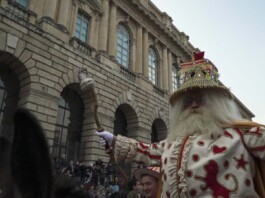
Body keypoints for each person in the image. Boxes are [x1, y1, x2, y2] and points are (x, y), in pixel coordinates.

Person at [96, 51, 265, 197]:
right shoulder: (174, 143)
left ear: (215, 103)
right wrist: (114, 140)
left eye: (200, 100)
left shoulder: (243, 136)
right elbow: (147, 151)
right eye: (188, 101)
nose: (193, 105)